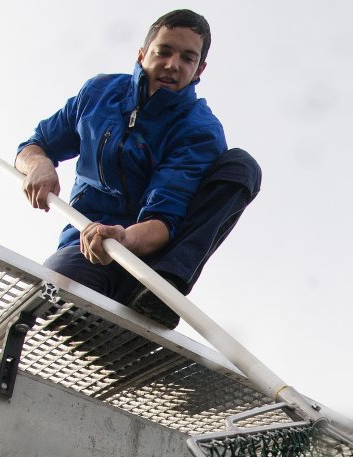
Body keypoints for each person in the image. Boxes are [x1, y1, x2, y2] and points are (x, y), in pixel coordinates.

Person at [15, 9, 261, 328]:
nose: (173, 64)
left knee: (242, 166)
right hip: (88, 245)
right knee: (54, 291)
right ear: (143, 53)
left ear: (199, 69)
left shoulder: (199, 130)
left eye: (187, 58)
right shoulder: (98, 93)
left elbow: (164, 216)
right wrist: (38, 163)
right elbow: (35, 145)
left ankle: (160, 291)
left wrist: (123, 238)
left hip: (150, 252)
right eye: (164, 51)